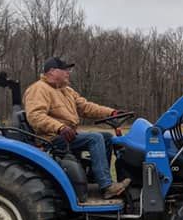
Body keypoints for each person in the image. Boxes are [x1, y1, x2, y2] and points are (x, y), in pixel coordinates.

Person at [24, 56, 131, 199]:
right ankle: (107, 186)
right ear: (52, 71)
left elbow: (86, 107)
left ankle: (95, 178)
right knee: (95, 138)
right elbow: (35, 116)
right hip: (52, 138)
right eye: (65, 70)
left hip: (69, 135)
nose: (68, 73)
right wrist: (60, 127)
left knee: (107, 137)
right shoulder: (38, 89)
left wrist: (111, 112)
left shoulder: (66, 91)